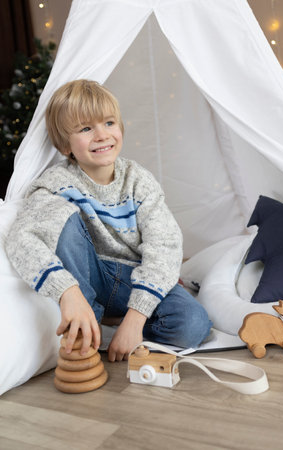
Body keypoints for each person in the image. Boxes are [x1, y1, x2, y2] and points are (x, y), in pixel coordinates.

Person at [5, 79, 212, 362]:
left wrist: (136, 318)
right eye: (86, 128)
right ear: (65, 145)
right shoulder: (54, 184)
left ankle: (116, 321)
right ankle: (87, 317)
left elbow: (165, 245)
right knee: (58, 216)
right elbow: (21, 238)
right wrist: (67, 291)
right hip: (85, 276)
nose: (102, 135)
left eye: (109, 123)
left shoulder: (138, 180)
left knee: (193, 325)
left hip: (131, 277)